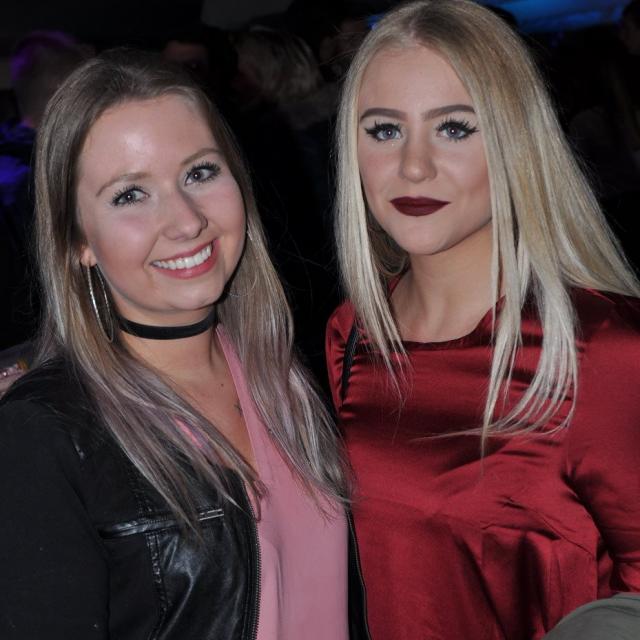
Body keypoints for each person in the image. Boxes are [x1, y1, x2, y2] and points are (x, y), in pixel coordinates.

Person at [0, 50, 368, 639]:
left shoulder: (286, 377)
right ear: (76, 242)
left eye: (199, 173)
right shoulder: (44, 435)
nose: (187, 221)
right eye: (129, 195)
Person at [325, 1, 640, 639]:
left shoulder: (602, 350)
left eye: (454, 128)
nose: (414, 166)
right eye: (383, 130)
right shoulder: (352, 333)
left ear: (515, 140)